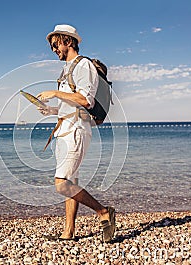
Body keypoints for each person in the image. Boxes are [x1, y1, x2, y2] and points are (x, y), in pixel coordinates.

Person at [37, 24, 116, 242]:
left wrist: (54, 92)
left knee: (61, 183)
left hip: (76, 130)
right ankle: (68, 232)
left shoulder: (84, 66)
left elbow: (86, 100)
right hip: (65, 128)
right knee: (71, 182)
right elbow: (70, 103)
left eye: (56, 44)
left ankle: (103, 212)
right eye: (52, 46)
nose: (53, 49)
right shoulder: (67, 70)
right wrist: (51, 109)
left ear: (68, 41)